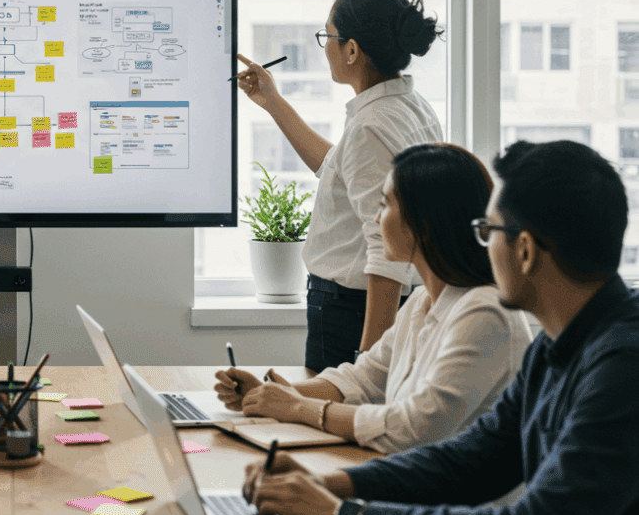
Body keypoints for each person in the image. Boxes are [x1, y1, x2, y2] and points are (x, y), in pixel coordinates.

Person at [241, 140, 639, 515]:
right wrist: (336, 486)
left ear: (526, 251)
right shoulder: (560, 344)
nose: (483, 244)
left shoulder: (623, 367)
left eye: (488, 230)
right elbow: (469, 461)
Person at [214, 143, 533, 453]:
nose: (377, 219)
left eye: (384, 204)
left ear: (423, 222)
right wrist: (273, 394)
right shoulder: (422, 302)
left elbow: (415, 427)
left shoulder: (484, 313)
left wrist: (300, 407)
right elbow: (362, 379)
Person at [235, 0, 443, 371]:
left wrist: (369, 361)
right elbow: (340, 169)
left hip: (351, 313)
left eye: (326, 36)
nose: (325, 47)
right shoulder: (408, 107)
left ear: (351, 50)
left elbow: (385, 250)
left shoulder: (371, 126)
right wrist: (272, 103)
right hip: (365, 306)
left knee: (336, 422)